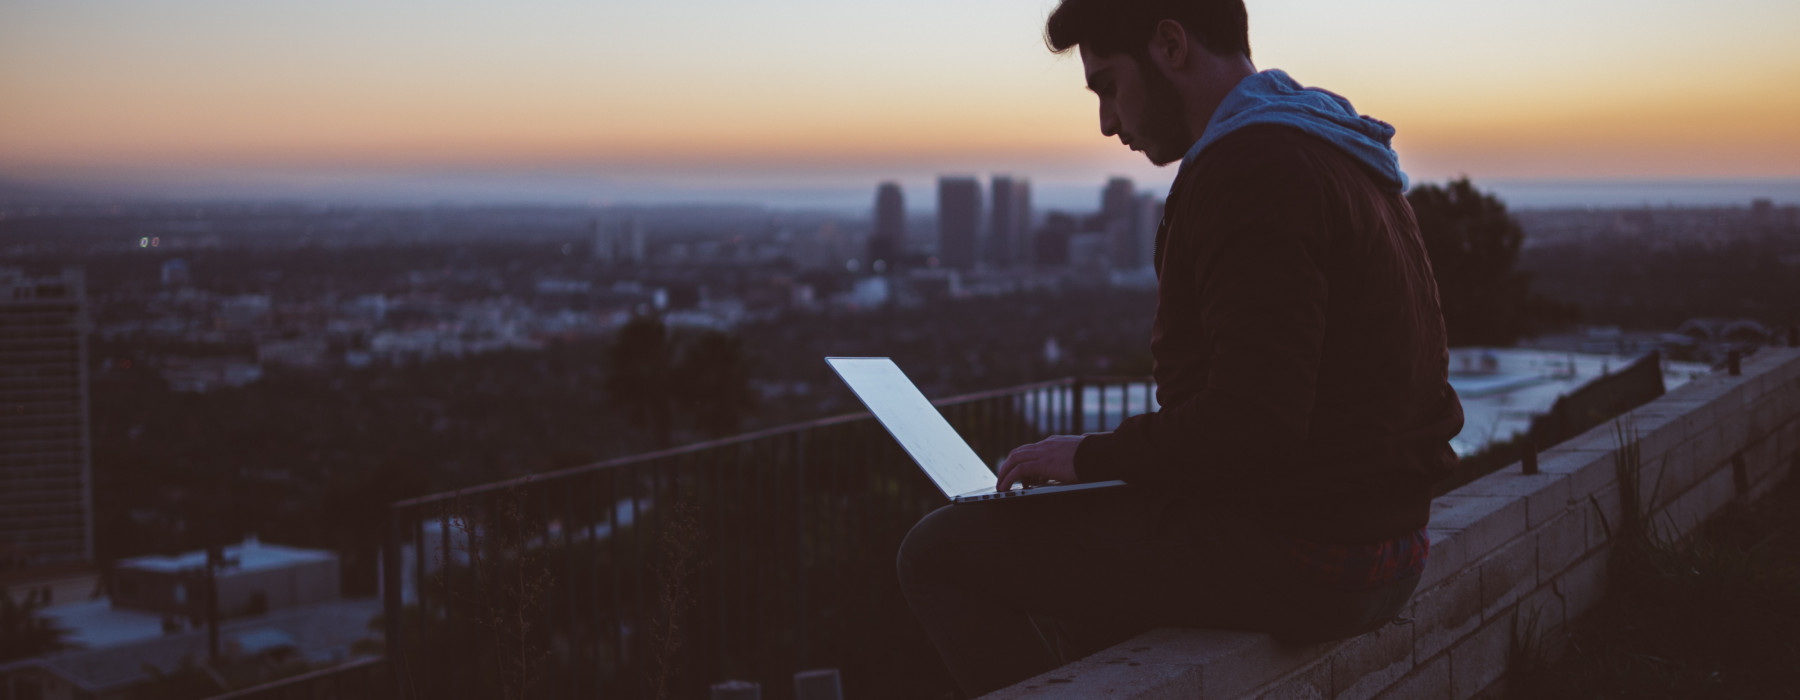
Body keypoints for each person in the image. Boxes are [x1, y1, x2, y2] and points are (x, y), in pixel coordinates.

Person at [894, 0, 1467, 695]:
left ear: (1170, 45)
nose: (1107, 121)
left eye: (1107, 84)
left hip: (1313, 554)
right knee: (1086, 561)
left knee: (939, 551)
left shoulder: (1251, 169)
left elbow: (1254, 425)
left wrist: (1089, 455)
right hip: (1386, 543)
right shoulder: (1334, 148)